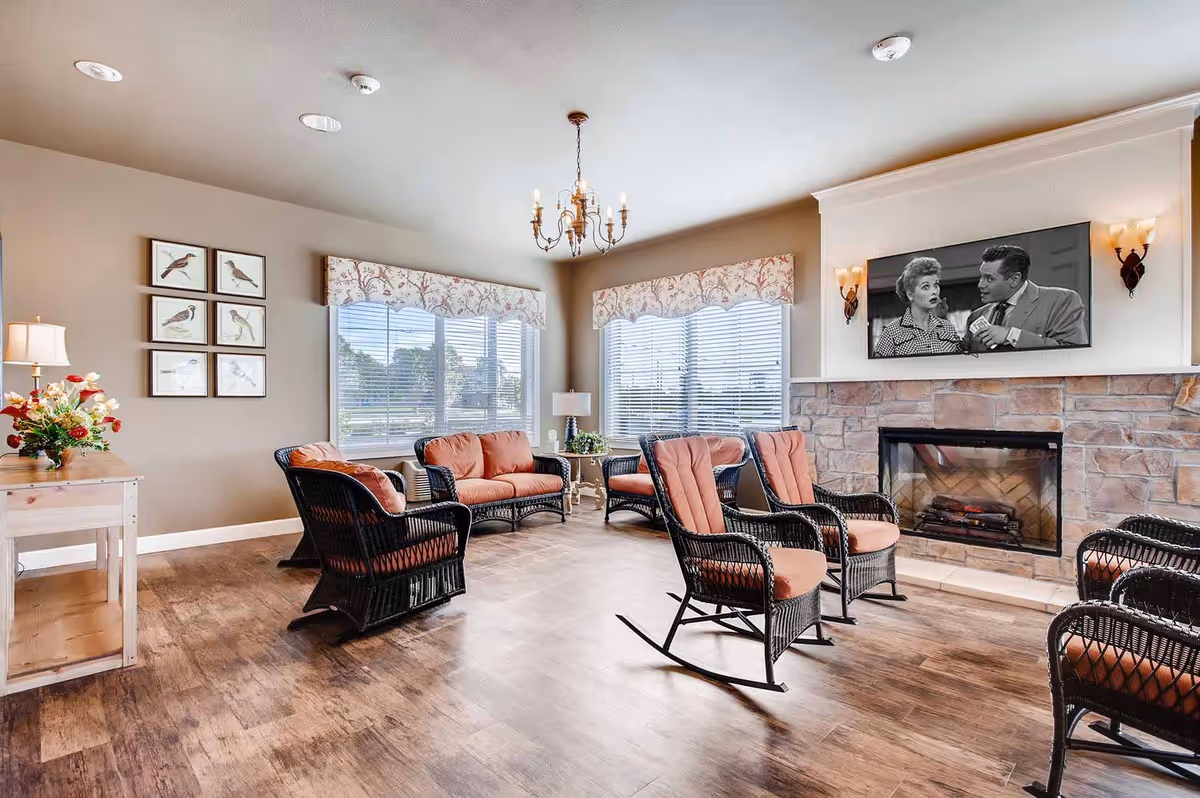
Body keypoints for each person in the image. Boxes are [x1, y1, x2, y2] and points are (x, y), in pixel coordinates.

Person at [963, 244, 1088, 352]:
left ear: (1014, 279)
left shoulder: (1061, 300)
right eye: (981, 277)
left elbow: (1073, 351)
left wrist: (1011, 335)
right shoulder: (976, 316)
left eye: (989, 279)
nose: (980, 284)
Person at [873, 257, 963, 357]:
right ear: (910, 295)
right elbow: (879, 369)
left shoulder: (948, 327)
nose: (934, 291)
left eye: (936, 285)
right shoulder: (891, 332)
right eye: (926, 287)